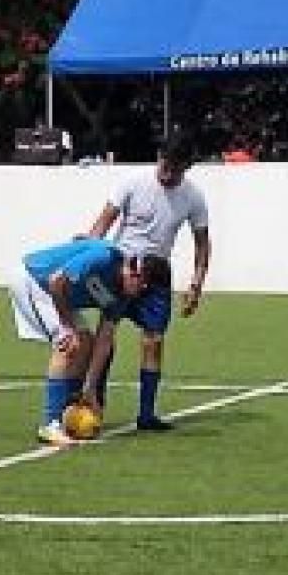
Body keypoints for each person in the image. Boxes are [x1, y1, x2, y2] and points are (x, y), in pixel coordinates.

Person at [81, 133, 211, 431]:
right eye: (164, 165)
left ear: (187, 167)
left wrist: (195, 286)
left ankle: (146, 414)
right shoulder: (133, 183)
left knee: (154, 340)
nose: (167, 174)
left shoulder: (193, 197)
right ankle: (93, 402)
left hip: (157, 273)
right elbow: (102, 223)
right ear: (159, 157)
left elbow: (202, 244)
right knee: (106, 334)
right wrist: (88, 256)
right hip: (120, 269)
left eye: (175, 169)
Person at [7, 237, 171, 446]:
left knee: (86, 343)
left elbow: (104, 340)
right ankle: (51, 424)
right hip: (33, 280)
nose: (140, 294)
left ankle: (70, 411)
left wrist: (90, 387)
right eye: (142, 288)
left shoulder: (122, 295)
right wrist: (67, 326)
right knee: (68, 344)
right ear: (136, 274)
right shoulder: (103, 256)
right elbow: (57, 281)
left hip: (56, 294)